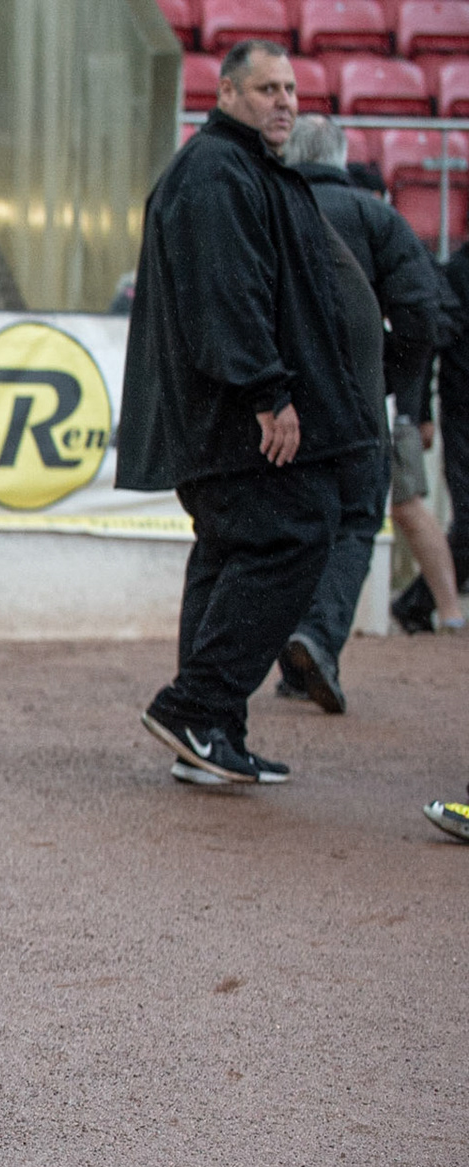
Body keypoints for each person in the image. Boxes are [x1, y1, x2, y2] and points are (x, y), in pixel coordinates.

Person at [118, 40, 378, 784]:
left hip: (223, 417)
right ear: (227, 93)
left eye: (291, 90)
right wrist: (269, 392)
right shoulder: (215, 172)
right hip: (237, 418)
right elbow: (227, 295)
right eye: (267, 89)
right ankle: (195, 706)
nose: (285, 102)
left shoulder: (237, 168)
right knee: (295, 534)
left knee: (231, 554)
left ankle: (210, 737)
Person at [270, 114, 451, 720]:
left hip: (279, 402)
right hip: (355, 405)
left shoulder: (268, 206)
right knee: (353, 523)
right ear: (344, 155)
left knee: (287, 525)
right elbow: (425, 315)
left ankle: (292, 657)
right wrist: (390, 377)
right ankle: (318, 641)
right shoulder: (377, 217)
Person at [393, 247, 469, 634]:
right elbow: (426, 337)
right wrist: (420, 411)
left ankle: (429, 606)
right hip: (454, 410)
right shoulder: (450, 272)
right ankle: (423, 605)